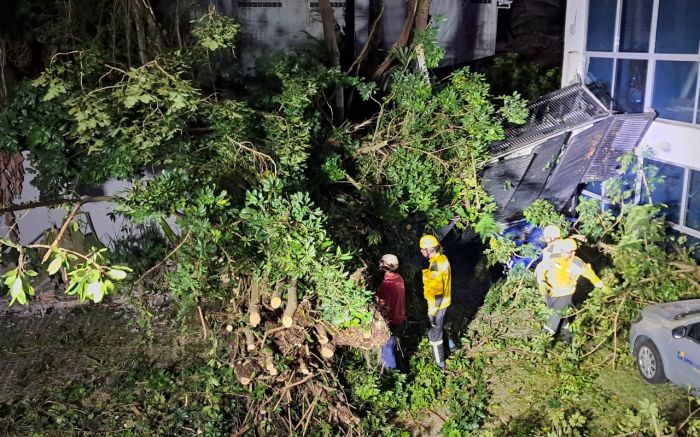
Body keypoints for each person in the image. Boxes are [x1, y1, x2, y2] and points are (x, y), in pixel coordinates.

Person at [541, 238, 604, 342]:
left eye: (573, 251)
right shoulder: (555, 257)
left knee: (554, 317)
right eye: (568, 252)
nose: (571, 254)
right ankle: (567, 338)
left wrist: (599, 284)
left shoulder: (576, 262)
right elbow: (544, 265)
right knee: (564, 317)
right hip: (552, 292)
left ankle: (544, 340)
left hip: (564, 294)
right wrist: (541, 281)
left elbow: (588, 272)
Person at [419, 234, 455, 369]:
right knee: (441, 325)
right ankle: (452, 346)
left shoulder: (435, 265)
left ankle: (440, 363)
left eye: (423, 249)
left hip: (437, 305)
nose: (421, 251)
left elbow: (437, 292)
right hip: (445, 302)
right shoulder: (442, 258)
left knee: (434, 334)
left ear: (430, 250)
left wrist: (432, 312)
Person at [376, 254, 405, 370]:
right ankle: (398, 367)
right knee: (392, 345)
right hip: (400, 318)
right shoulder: (399, 278)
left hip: (391, 321)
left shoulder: (386, 284)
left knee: (387, 348)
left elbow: (382, 304)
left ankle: (391, 373)